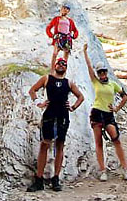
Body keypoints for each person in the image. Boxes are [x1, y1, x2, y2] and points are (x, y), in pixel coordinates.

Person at [26, 54, 84, 192]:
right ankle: (39, 179)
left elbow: (81, 97)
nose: (61, 65)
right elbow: (32, 90)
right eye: (59, 63)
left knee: (60, 146)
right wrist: (38, 102)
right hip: (49, 115)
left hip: (63, 116)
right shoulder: (47, 78)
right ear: (55, 65)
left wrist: (73, 107)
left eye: (64, 64)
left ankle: (55, 178)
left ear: (66, 68)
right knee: (44, 144)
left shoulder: (69, 83)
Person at [82, 42, 127, 181]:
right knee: (98, 142)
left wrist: (117, 108)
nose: (103, 74)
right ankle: (103, 170)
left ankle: (125, 168)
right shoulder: (96, 82)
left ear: (106, 72)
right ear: (98, 74)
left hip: (108, 114)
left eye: (104, 71)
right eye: (100, 72)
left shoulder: (113, 84)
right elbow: (88, 68)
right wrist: (85, 53)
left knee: (116, 139)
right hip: (97, 112)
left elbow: (125, 96)